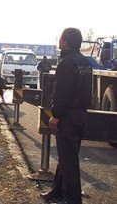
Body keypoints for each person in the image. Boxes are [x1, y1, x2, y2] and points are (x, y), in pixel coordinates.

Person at [42, 28, 92, 204]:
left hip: (68, 116)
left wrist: (56, 115)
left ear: (65, 42)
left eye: (61, 38)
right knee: (66, 155)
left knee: (68, 160)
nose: (59, 41)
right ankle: (56, 192)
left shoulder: (66, 63)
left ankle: (72, 199)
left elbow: (62, 93)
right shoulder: (85, 62)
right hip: (81, 115)